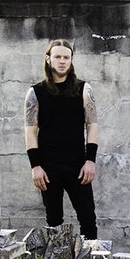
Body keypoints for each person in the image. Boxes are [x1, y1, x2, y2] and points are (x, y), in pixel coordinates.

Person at [23, 39, 98, 240]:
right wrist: (35, 166)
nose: (62, 61)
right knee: (54, 220)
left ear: (71, 60)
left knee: (88, 218)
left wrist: (90, 161)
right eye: (57, 57)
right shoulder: (35, 93)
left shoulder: (84, 90)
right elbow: (30, 132)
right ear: (48, 59)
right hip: (48, 168)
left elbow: (92, 125)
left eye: (66, 57)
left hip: (78, 165)